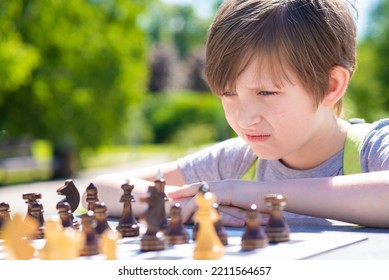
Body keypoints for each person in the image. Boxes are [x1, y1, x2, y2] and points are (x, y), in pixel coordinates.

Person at [82, 0, 389, 228]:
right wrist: (192, 203)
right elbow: (101, 189)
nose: (244, 120)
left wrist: (255, 194)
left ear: (330, 85)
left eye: (266, 93)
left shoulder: (372, 151)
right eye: (228, 94)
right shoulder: (238, 161)